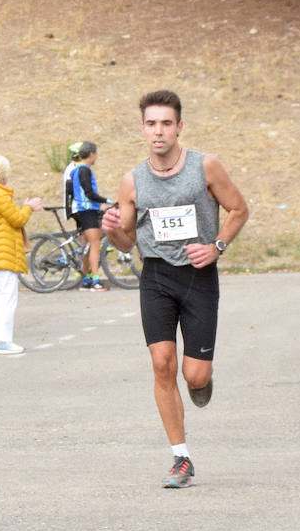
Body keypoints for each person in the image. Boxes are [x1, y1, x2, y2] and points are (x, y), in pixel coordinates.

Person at [102, 89, 248, 490]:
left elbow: (239, 208)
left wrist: (216, 246)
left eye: (166, 123)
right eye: (151, 124)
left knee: (194, 376)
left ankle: (202, 381)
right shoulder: (132, 180)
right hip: (156, 277)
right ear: (143, 129)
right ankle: (180, 458)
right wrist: (114, 230)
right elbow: (127, 242)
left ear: (179, 127)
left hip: (199, 276)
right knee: (162, 362)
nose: (159, 131)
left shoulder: (206, 167)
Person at [0, 155, 42, 355]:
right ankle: (3, 341)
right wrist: (29, 207)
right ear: (3, 175)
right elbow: (17, 219)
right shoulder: (1, 196)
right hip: (4, 252)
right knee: (7, 298)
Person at [68, 142, 111, 291]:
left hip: (81, 210)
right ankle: (95, 281)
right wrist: (107, 201)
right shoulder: (84, 169)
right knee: (95, 245)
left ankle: (86, 280)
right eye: (96, 154)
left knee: (86, 246)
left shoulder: (75, 170)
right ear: (92, 154)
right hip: (87, 210)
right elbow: (89, 193)